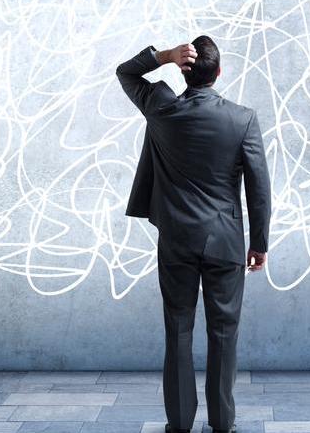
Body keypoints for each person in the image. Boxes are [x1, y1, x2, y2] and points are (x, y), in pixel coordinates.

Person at [116, 35, 272, 433]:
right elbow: (259, 188)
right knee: (224, 334)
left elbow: (126, 72)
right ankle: (222, 425)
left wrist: (163, 56)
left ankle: (180, 425)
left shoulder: (161, 108)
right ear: (218, 74)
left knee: (179, 330)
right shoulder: (243, 119)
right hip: (225, 241)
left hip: (176, 241)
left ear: (184, 71)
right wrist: (259, 244)